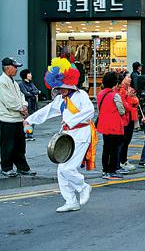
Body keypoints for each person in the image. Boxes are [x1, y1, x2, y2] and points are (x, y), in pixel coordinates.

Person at [24, 58, 96, 212]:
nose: (60, 90)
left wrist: (70, 120)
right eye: (58, 88)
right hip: (66, 136)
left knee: (67, 169)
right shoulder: (60, 99)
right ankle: (71, 201)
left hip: (81, 134)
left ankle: (83, 186)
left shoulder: (81, 94)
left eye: (62, 87)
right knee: (61, 169)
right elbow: (47, 111)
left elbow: (90, 111)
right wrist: (29, 120)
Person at [0, 57, 34, 177]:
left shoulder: (13, 82)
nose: (16, 69)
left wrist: (24, 106)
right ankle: (6, 167)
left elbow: (21, 97)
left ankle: (22, 167)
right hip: (7, 120)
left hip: (17, 118)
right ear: (8, 68)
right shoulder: (2, 82)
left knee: (20, 146)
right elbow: (9, 101)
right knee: (7, 146)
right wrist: (22, 109)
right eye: (15, 67)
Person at [96, 71, 126, 180]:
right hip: (115, 125)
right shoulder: (115, 95)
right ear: (115, 83)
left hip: (103, 124)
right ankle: (112, 170)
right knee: (115, 149)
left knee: (106, 148)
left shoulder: (100, 94)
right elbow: (122, 110)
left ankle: (105, 171)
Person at [116, 72, 138, 174]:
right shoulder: (121, 91)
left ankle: (124, 160)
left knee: (126, 141)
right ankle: (121, 161)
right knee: (123, 142)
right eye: (127, 77)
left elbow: (136, 101)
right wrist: (130, 99)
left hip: (129, 118)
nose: (130, 79)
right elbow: (125, 105)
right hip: (124, 119)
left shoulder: (128, 89)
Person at [18, 69, 40, 141]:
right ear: (25, 75)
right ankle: (25, 135)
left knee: (32, 119)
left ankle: (30, 135)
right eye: (29, 74)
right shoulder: (21, 84)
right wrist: (33, 92)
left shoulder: (31, 83)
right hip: (27, 104)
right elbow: (25, 93)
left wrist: (31, 92)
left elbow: (37, 91)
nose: (31, 75)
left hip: (33, 104)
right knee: (26, 120)